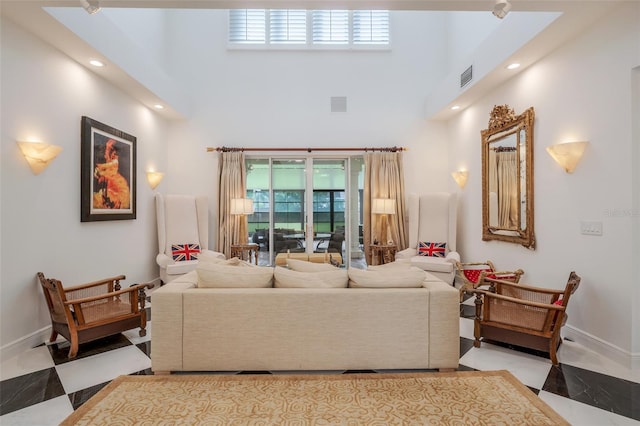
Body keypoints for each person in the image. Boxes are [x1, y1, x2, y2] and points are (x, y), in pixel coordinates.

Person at [93, 139, 130, 209]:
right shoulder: (111, 160)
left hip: (119, 188)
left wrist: (98, 167)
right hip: (112, 186)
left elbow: (106, 166)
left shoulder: (115, 162)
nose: (105, 155)